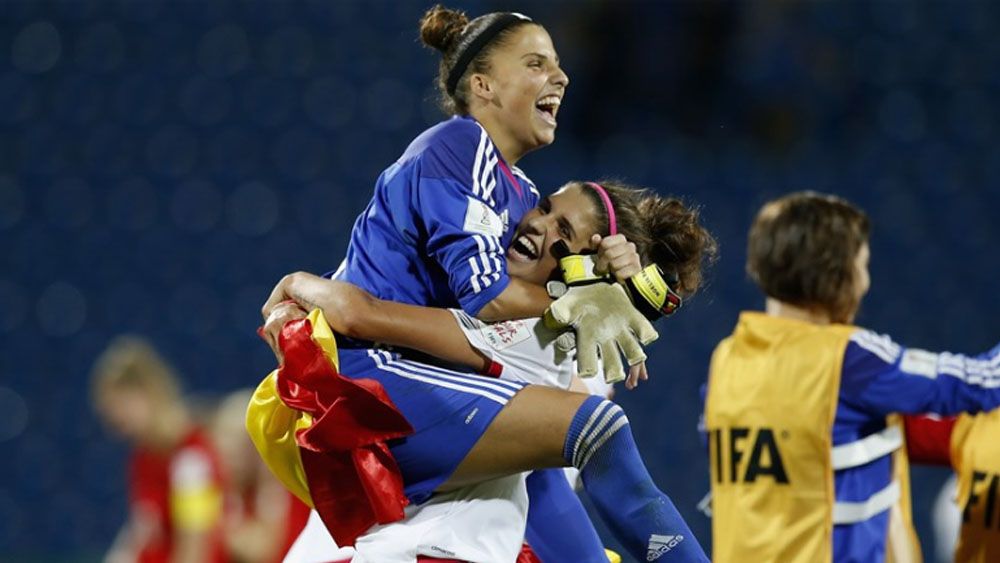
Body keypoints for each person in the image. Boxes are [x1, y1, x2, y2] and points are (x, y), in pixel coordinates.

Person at [259, 180, 716, 562]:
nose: (536, 223)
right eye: (542, 207)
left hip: (404, 548)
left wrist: (297, 282)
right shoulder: (481, 289)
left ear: (583, 270)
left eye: (563, 229)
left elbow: (363, 314)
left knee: (596, 428)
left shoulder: (536, 330)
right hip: (401, 547)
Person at [703, 191, 1000, 563]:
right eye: (862, 266)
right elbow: (981, 382)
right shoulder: (850, 359)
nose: (865, 284)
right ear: (835, 273)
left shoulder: (727, 360)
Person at [91, 336, 228, 563]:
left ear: (150, 393)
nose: (116, 420)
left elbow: (196, 552)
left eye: (123, 408)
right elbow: (141, 531)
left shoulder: (192, 459)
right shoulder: (143, 457)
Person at [210, 389, 313, 563]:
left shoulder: (290, 485)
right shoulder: (219, 491)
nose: (232, 452)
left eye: (244, 443)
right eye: (226, 440)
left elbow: (261, 551)